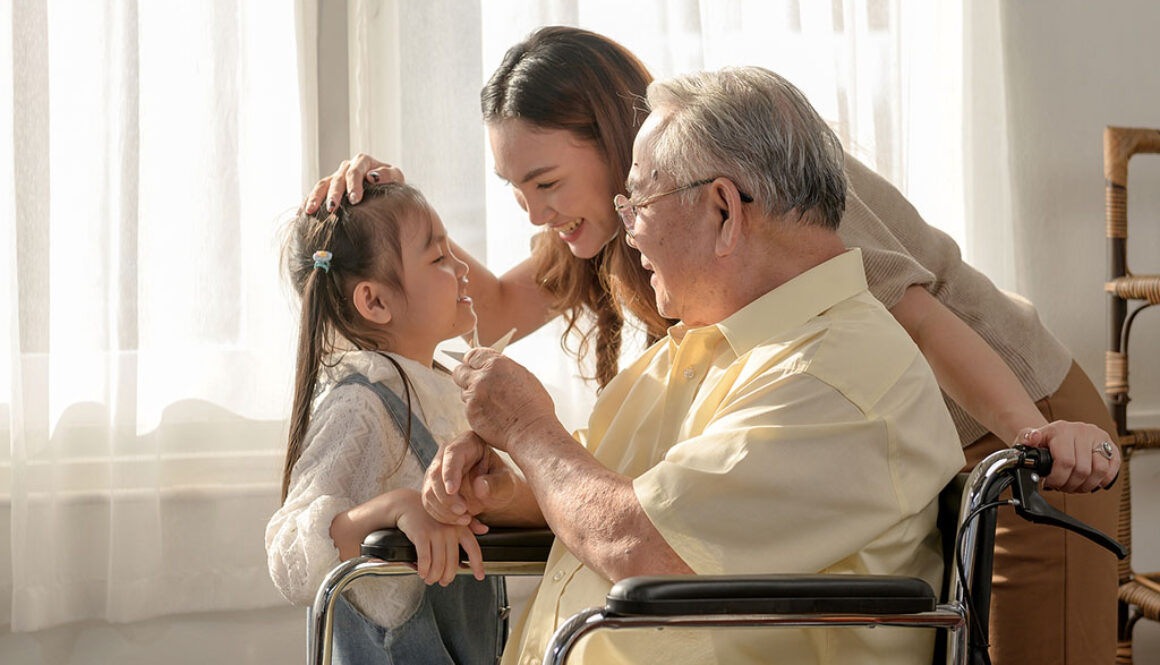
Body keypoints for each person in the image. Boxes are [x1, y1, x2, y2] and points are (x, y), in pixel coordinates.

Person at [304, 27, 1121, 663]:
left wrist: (1031, 442)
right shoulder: (690, 279)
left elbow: (918, 327)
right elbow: (489, 306)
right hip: (831, 452)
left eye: (544, 183)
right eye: (513, 190)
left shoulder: (788, 208)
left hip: (1011, 410)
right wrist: (390, 213)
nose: (530, 213)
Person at [424, 66, 966, 664]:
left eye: (639, 205)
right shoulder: (697, 348)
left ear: (724, 211)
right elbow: (625, 494)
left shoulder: (835, 374)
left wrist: (528, 430)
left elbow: (641, 542)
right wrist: (514, 487)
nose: (628, 235)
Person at [265, 182, 504, 665]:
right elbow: (288, 551)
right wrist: (393, 508)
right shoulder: (359, 405)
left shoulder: (440, 392)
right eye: (439, 258)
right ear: (374, 302)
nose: (462, 268)